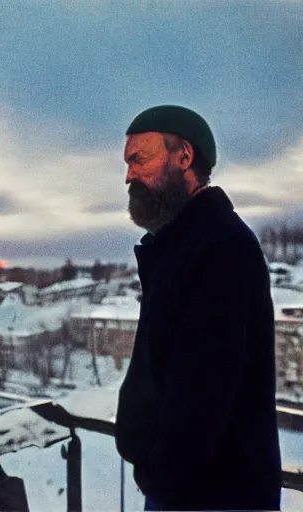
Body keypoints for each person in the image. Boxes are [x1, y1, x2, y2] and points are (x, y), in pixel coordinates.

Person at [114, 105, 282, 511]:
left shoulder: (220, 248)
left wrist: (158, 472)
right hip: (187, 490)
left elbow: (202, 395)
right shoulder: (182, 245)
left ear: (184, 157)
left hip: (214, 495)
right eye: (128, 163)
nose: (129, 175)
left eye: (140, 159)